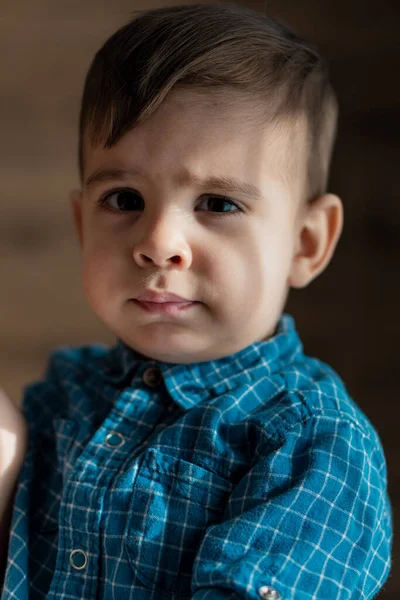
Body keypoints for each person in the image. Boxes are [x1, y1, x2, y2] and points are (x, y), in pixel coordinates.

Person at [0, 3, 392, 599]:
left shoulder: (310, 442)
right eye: (126, 199)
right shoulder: (61, 398)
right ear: (83, 226)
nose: (159, 244)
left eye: (218, 204)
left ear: (305, 244)